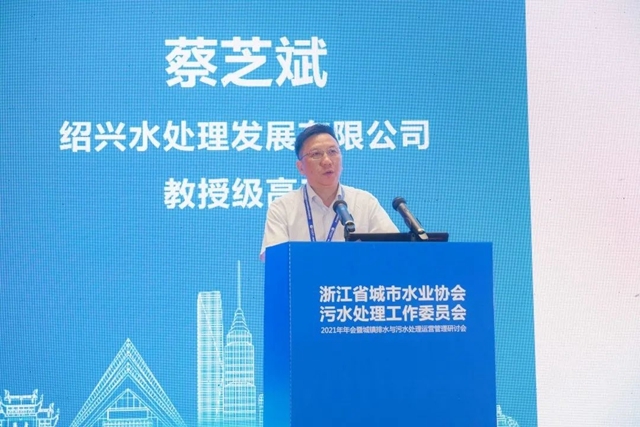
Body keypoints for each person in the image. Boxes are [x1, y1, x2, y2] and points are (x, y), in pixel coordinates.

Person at [260, 123, 398, 260]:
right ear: (300, 167)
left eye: (333, 152)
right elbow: (274, 259)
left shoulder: (365, 202)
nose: (327, 161)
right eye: (316, 154)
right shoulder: (282, 208)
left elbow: (395, 250)